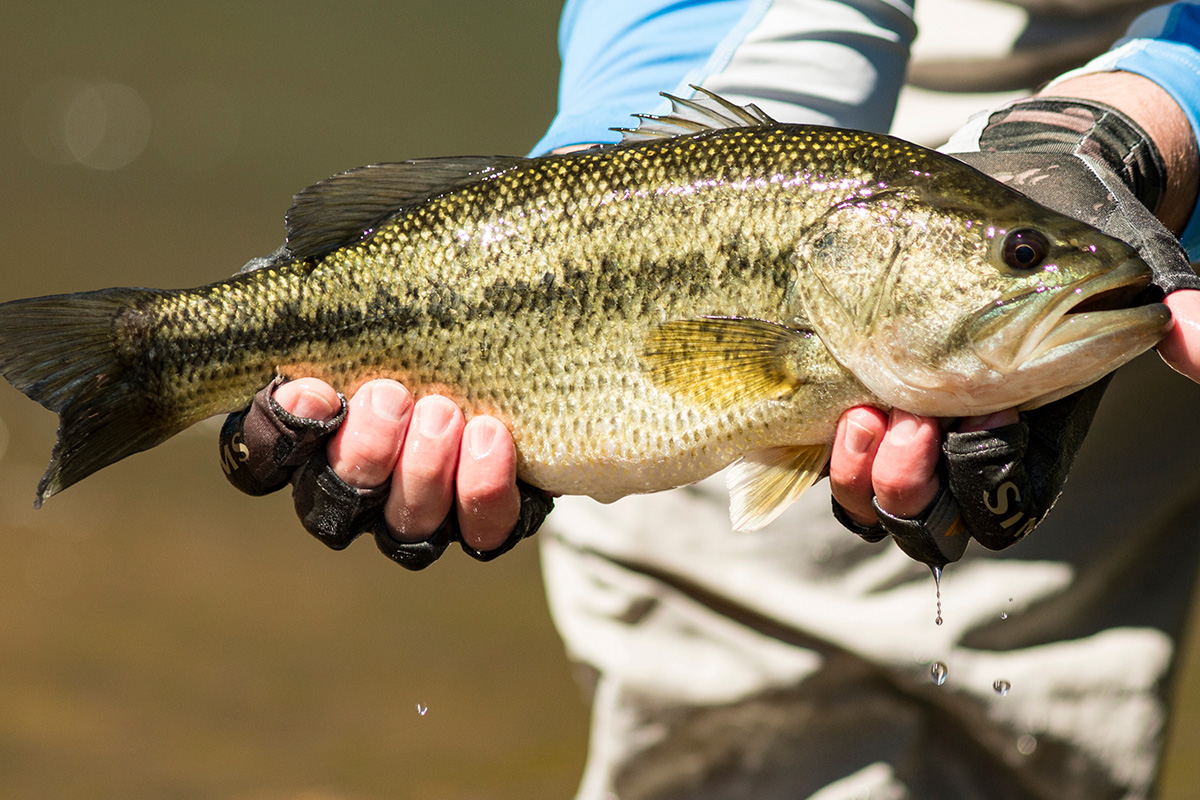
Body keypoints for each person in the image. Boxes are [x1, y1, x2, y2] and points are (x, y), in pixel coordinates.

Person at [221, 1, 1200, 797]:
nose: (1026, 266)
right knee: (722, 735)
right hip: (788, 109)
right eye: (1020, 259)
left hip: (1138, 171)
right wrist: (607, 181)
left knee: (1025, 733)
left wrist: (1140, 129)